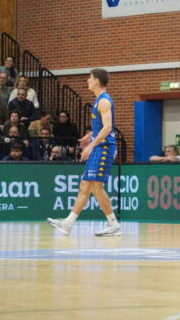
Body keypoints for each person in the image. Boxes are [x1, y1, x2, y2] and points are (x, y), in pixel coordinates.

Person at [47, 68, 121, 237]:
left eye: (89, 78)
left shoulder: (104, 101)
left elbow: (108, 127)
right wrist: (88, 136)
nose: (87, 80)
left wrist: (91, 145)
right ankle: (68, 223)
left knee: (95, 186)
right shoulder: (97, 101)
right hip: (98, 146)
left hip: (104, 148)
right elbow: (101, 126)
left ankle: (113, 224)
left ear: (96, 80)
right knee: (86, 186)